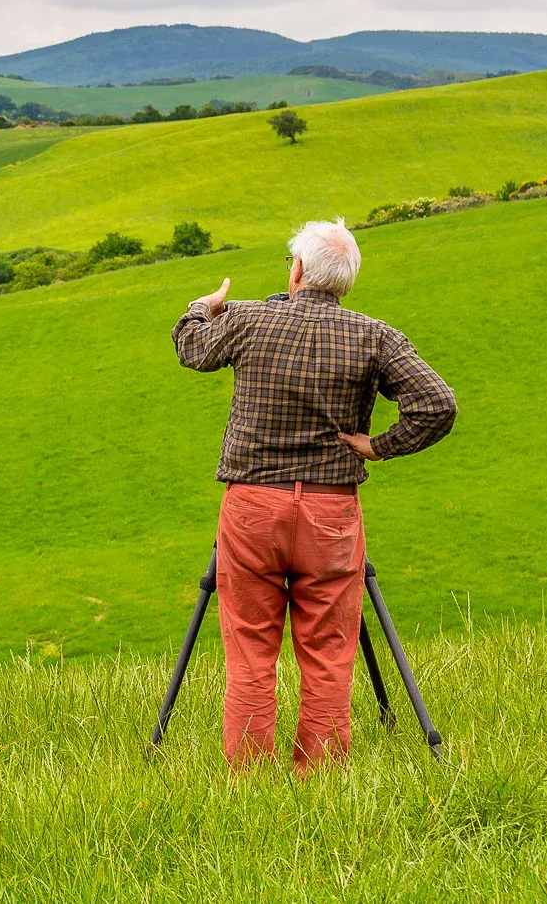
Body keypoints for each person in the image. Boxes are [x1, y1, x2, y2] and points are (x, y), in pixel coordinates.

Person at [172, 219, 456, 771]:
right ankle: (321, 780)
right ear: (345, 282)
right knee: (328, 654)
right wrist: (379, 447)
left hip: (253, 507)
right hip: (331, 510)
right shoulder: (375, 336)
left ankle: (249, 781)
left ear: (297, 270)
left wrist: (200, 306)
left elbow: (192, 350)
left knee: (252, 652)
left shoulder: (250, 319)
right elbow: (438, 403)